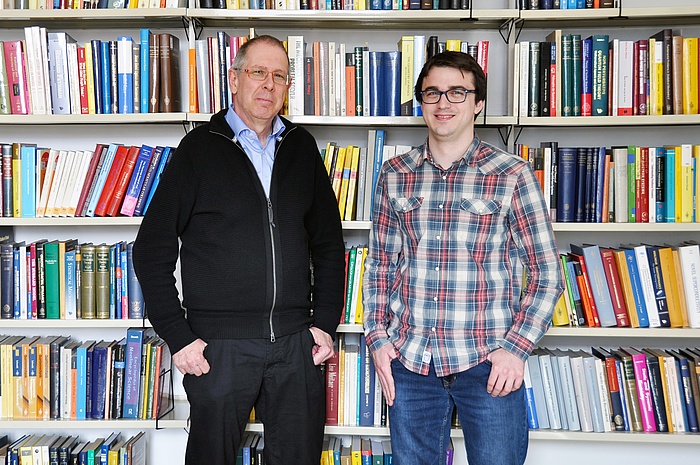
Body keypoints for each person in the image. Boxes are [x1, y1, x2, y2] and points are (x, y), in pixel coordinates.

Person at [132, 35, 346, 465]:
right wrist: (179, 338)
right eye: (258, 72)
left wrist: (324, 323)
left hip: (293, 344)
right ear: (234, 79)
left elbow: (328, 246)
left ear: (287, 87)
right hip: (218, 348)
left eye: (279, 76)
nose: (268, 84)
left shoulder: (302, 148)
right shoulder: (199, 149)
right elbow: (150, 249)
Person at [362, 51, 564, 465]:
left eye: (457, 92)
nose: (443, 102)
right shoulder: (394, 173)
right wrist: (379, 340)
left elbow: (547, 273)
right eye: (432, 92)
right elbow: (381, 264)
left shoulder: (512, 174)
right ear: (421, 102)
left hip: (488, 363)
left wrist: (516, 349)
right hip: (411, 361)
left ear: (478, 103)